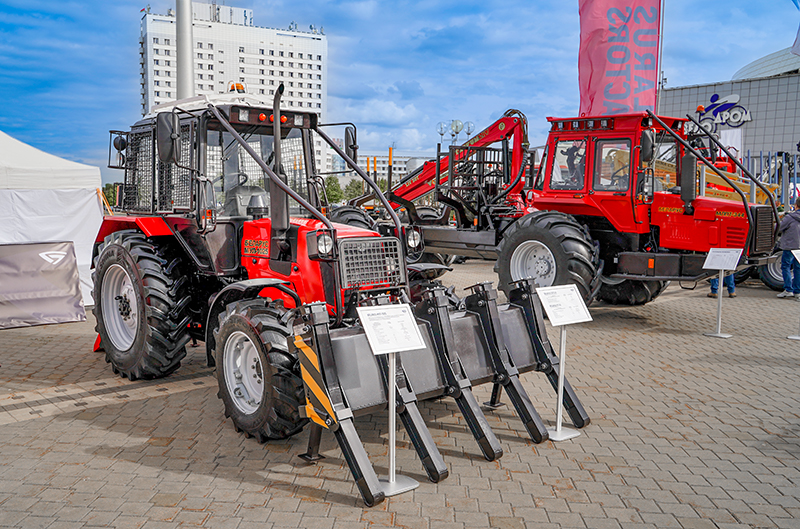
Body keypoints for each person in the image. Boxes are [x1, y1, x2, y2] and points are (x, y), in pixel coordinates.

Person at [777, 197, 800, 299]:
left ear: (796, 205)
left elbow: (779, 228)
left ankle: (788, 289)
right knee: (798, 268)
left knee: (785, 266)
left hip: (790, 246)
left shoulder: (790, 217)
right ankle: (797, 292)